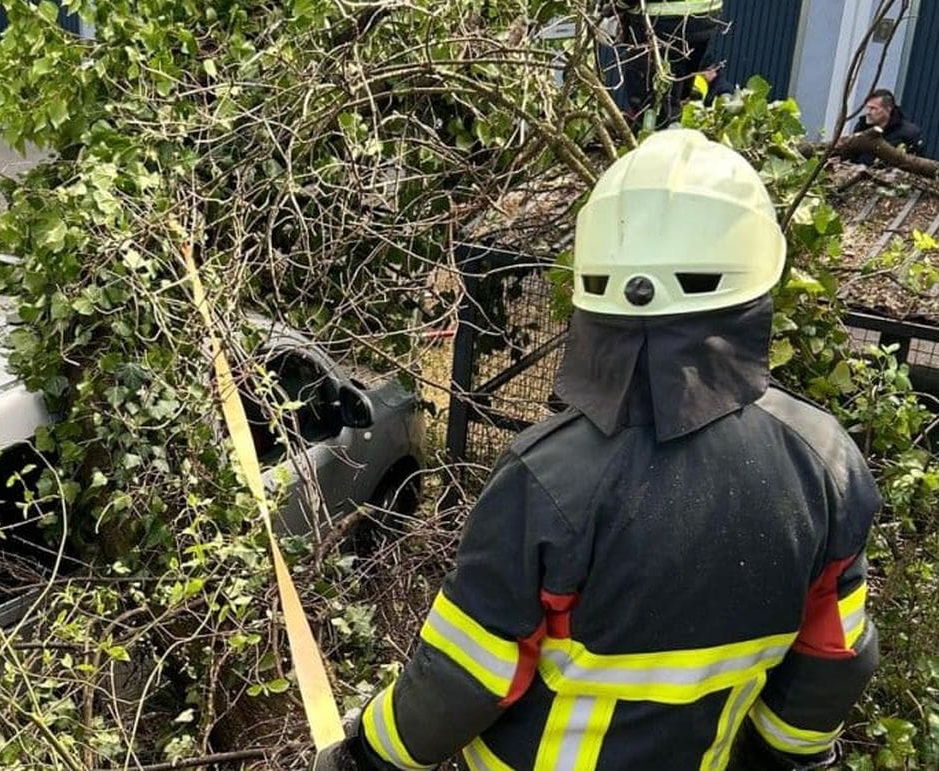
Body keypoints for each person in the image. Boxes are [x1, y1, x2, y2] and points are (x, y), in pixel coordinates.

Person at [312, 130, 880, 771]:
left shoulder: (547, 476)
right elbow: (833, 657)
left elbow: (465, 676)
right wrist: (788, 755)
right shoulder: (825, 461)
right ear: (757, 281)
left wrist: (363, 756)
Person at [617, 0, 726, 128]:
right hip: (705, 14)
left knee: (652, 104)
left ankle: (659, 136)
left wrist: (619, 5)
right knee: (679, 89)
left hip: (663, 19)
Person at [850, 88, 925, 164]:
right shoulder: (861, 126)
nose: (868, 112)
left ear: (888, 109)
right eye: (867, 108)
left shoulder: (909, 133)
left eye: (873, 108)